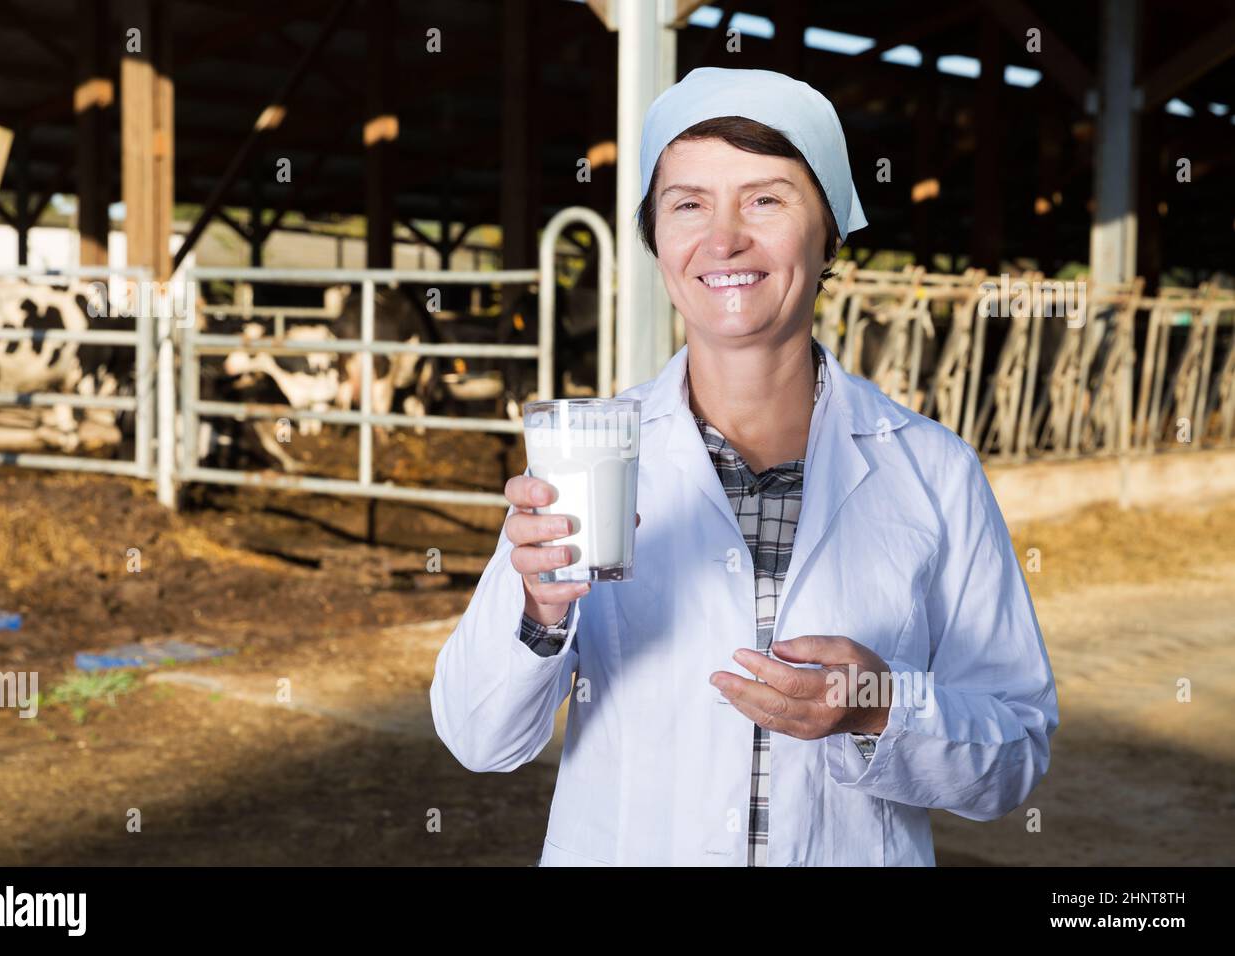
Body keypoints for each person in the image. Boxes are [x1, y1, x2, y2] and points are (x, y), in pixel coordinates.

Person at [431, 67, 1058, 866]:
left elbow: (1015, 754)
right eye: (688, 204)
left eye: (766, 199)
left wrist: (875, 704)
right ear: (657, 238)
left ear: (829, 231)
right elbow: (481, 738)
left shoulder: (934, 471)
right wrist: (536, 608)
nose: (722, 239)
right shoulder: (588, 456)